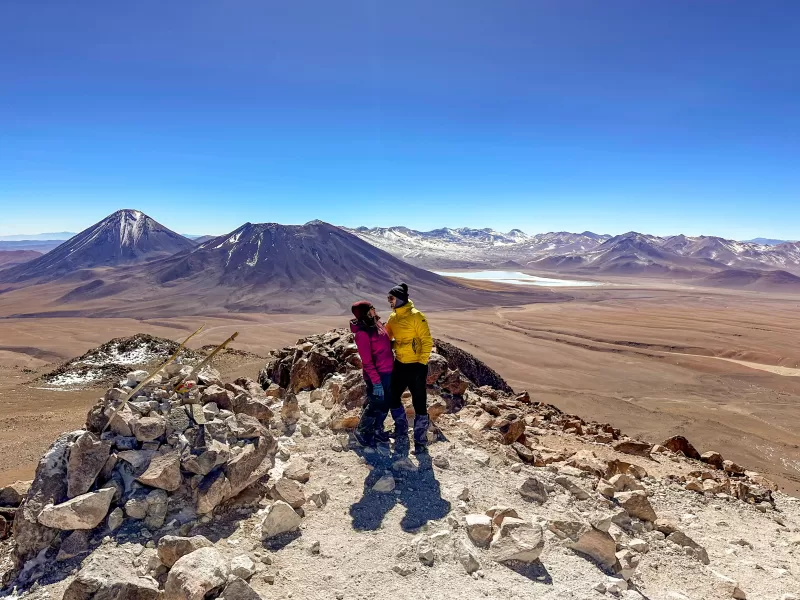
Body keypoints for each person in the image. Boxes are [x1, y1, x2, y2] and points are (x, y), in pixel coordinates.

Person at [385, 282, 433, 454]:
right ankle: (401, 430)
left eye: (391, 298)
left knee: (419, 403)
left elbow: (427, 340)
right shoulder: (393, 318)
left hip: (416, 366)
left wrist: (422, 363)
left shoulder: (416, 316)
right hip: (400, 364)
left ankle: (420, 441)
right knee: (392, 397)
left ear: (399, 299)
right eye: (388, 298)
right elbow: (385, 336)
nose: (389, 301)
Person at [349, 300, 405, 447]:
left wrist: (398, 344)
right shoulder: (362, 333)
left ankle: (377, 430)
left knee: (385, 403)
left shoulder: (377, 324)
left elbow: (383, 344)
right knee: (375, 404)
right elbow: (367, 361)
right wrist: (376, 381)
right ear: (364, 314)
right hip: (377, 375)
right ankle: (361, 432)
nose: (374, 311)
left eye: (373, 308)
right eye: (370, 310)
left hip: (387, 371)